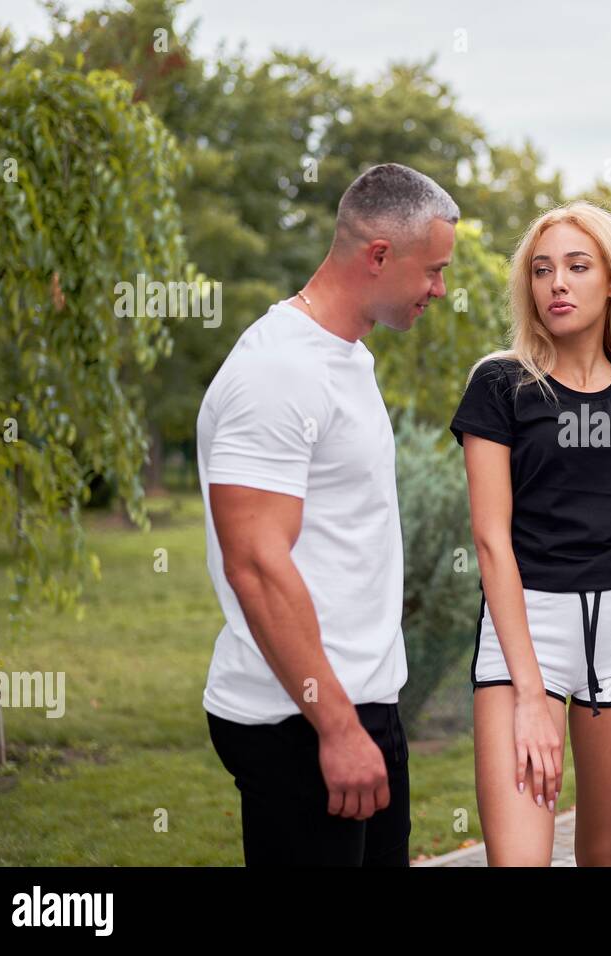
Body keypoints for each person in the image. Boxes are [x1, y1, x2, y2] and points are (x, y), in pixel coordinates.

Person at [198, 163, 457, 866]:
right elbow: (255, 563)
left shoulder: (343, 357)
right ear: (379, 255)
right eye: (433, 270)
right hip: (301, 719)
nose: (440, 288)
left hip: (358, 706)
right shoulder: (280, 370)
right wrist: (337, 728)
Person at [449, 201, 611, 866]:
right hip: (525, 628)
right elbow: (491, 542)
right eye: (542, 269)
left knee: (610, 854)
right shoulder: (501, 386)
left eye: (577, 267)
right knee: (520, 860)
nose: (557, 282)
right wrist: (529, 694)